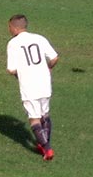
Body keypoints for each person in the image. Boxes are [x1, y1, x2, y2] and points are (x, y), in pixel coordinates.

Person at [6, 14, 59, 160]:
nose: (9, 30)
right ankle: (44, 144)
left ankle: (47, 149)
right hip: (44, 82)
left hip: (29, 84)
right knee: (45, 114)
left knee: (34, 118)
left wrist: (19, 74)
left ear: (15, 28)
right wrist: (49, 68)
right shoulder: (39, 38)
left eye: (9, 27)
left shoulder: (13, 43)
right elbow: (55, 58)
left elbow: (11, 69)